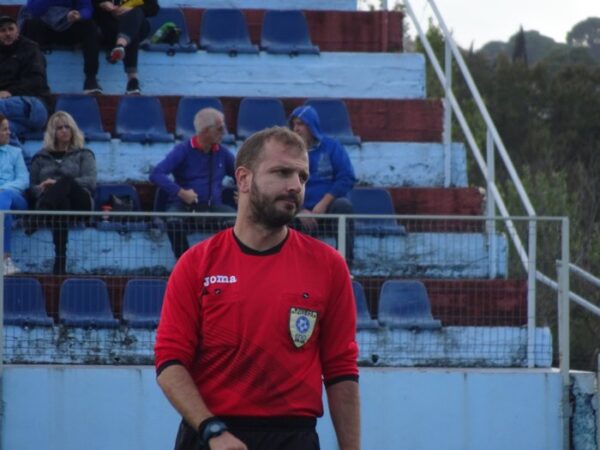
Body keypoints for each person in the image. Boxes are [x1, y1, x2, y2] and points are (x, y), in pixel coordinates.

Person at [155, 127, 360, 450]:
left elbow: (341, 370)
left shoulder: (329, 266)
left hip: (293, 439)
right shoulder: (195, 264)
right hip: (211, 436)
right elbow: (169, 362)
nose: (295, 185)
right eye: (282, 172)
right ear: (244, 179)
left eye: (302, 177)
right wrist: (212, 430)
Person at [149, 107, 236, 259]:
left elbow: (242, 175)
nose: (224, 133)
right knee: (173, 220)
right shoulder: (183, 150)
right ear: (205, 131)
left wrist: (244, 192)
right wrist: (181, 192)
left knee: (237, 222)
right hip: (184, 206)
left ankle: (224, 262)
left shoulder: (222, 152)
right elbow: (156, 174)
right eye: (220, 128)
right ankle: (184, 261)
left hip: (213, 207)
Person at [27, 111, 96, 274]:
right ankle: (60, 261)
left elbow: (91, 182)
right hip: (57, 207)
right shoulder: (40, 158)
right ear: (53, 132)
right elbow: (32, 188)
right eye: (59, 128)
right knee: (61, 202)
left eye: (67, 127)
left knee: (66, 181)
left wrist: (59, 184)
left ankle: (39, 216)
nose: (64, 130)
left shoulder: (84, 154)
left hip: (80, 203)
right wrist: (42, 188)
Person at [289, 105, 356, 263]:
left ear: (311, 126)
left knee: (343, 206)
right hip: (299, 212)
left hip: (327, 209)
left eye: (300, 124)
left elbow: (347, 177)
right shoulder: (287, 152)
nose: (296, 129)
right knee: (279, 212)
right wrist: (299, 210)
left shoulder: (331, 147)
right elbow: (281, 183)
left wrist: (324, 203)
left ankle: (345, 265)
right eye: (294, 124)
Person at [20, 0, 102, 94]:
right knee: (31, 24)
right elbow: (34, 10)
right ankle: (32, 80)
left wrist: (79, 15)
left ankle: (91, 79)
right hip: (44, 27)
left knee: (90, 27)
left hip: (67, 25)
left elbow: (87, 8)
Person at [0, 15, 50, 146]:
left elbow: (37, 80)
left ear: (17, 31)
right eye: (3, 30)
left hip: (34, 105)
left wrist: (10, 92)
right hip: (10, 115)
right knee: (3, 132)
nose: (7, 33)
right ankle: (23, 159)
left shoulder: (31, 49)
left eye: (11, 29)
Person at [92, 0, 159, 95]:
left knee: (136, 14)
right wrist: (102, 4)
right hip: (110, 27)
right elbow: (86, 5)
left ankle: (118, 46)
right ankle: (133, 81)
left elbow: (154, 8)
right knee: (131, 31)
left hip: (136, 22)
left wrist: (130, 9)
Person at [0, 114, 29, 275]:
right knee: (5, 215)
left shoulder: (15, 152)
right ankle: (5, 260)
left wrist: (2, 189)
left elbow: (23, 180)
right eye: (4, 129)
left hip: (15, 199)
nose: (9, 133)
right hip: (5, 209)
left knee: (4, 196)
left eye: (8, 129)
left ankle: (5, 259)